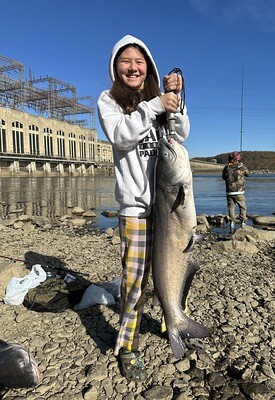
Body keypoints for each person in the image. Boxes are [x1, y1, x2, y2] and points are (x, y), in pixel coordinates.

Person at [97, 35, 190, 382]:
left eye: (139, 61)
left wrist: (174, 103)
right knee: (134, 284)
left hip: (169, 209)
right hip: (136, 211)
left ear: (147, 66)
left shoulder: (159, 101)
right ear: (116, 67)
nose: (133, 67)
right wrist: (153, 105)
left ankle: (174, 321)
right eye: (126, 61)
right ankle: (128, 345)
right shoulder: (108, 101)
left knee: (177, 268)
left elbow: (180, 134)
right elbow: (121, 136)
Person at [222, 151, 249, 232]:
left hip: (229, 192)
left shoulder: (226, 168)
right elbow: (248, 173)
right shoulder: (242, 166)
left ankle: (232, 222)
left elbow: (223, 177)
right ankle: (243, 222)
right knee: (242, 207)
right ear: (237, 158)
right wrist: (241, 166)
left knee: (231, 208)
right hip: (239, 192)